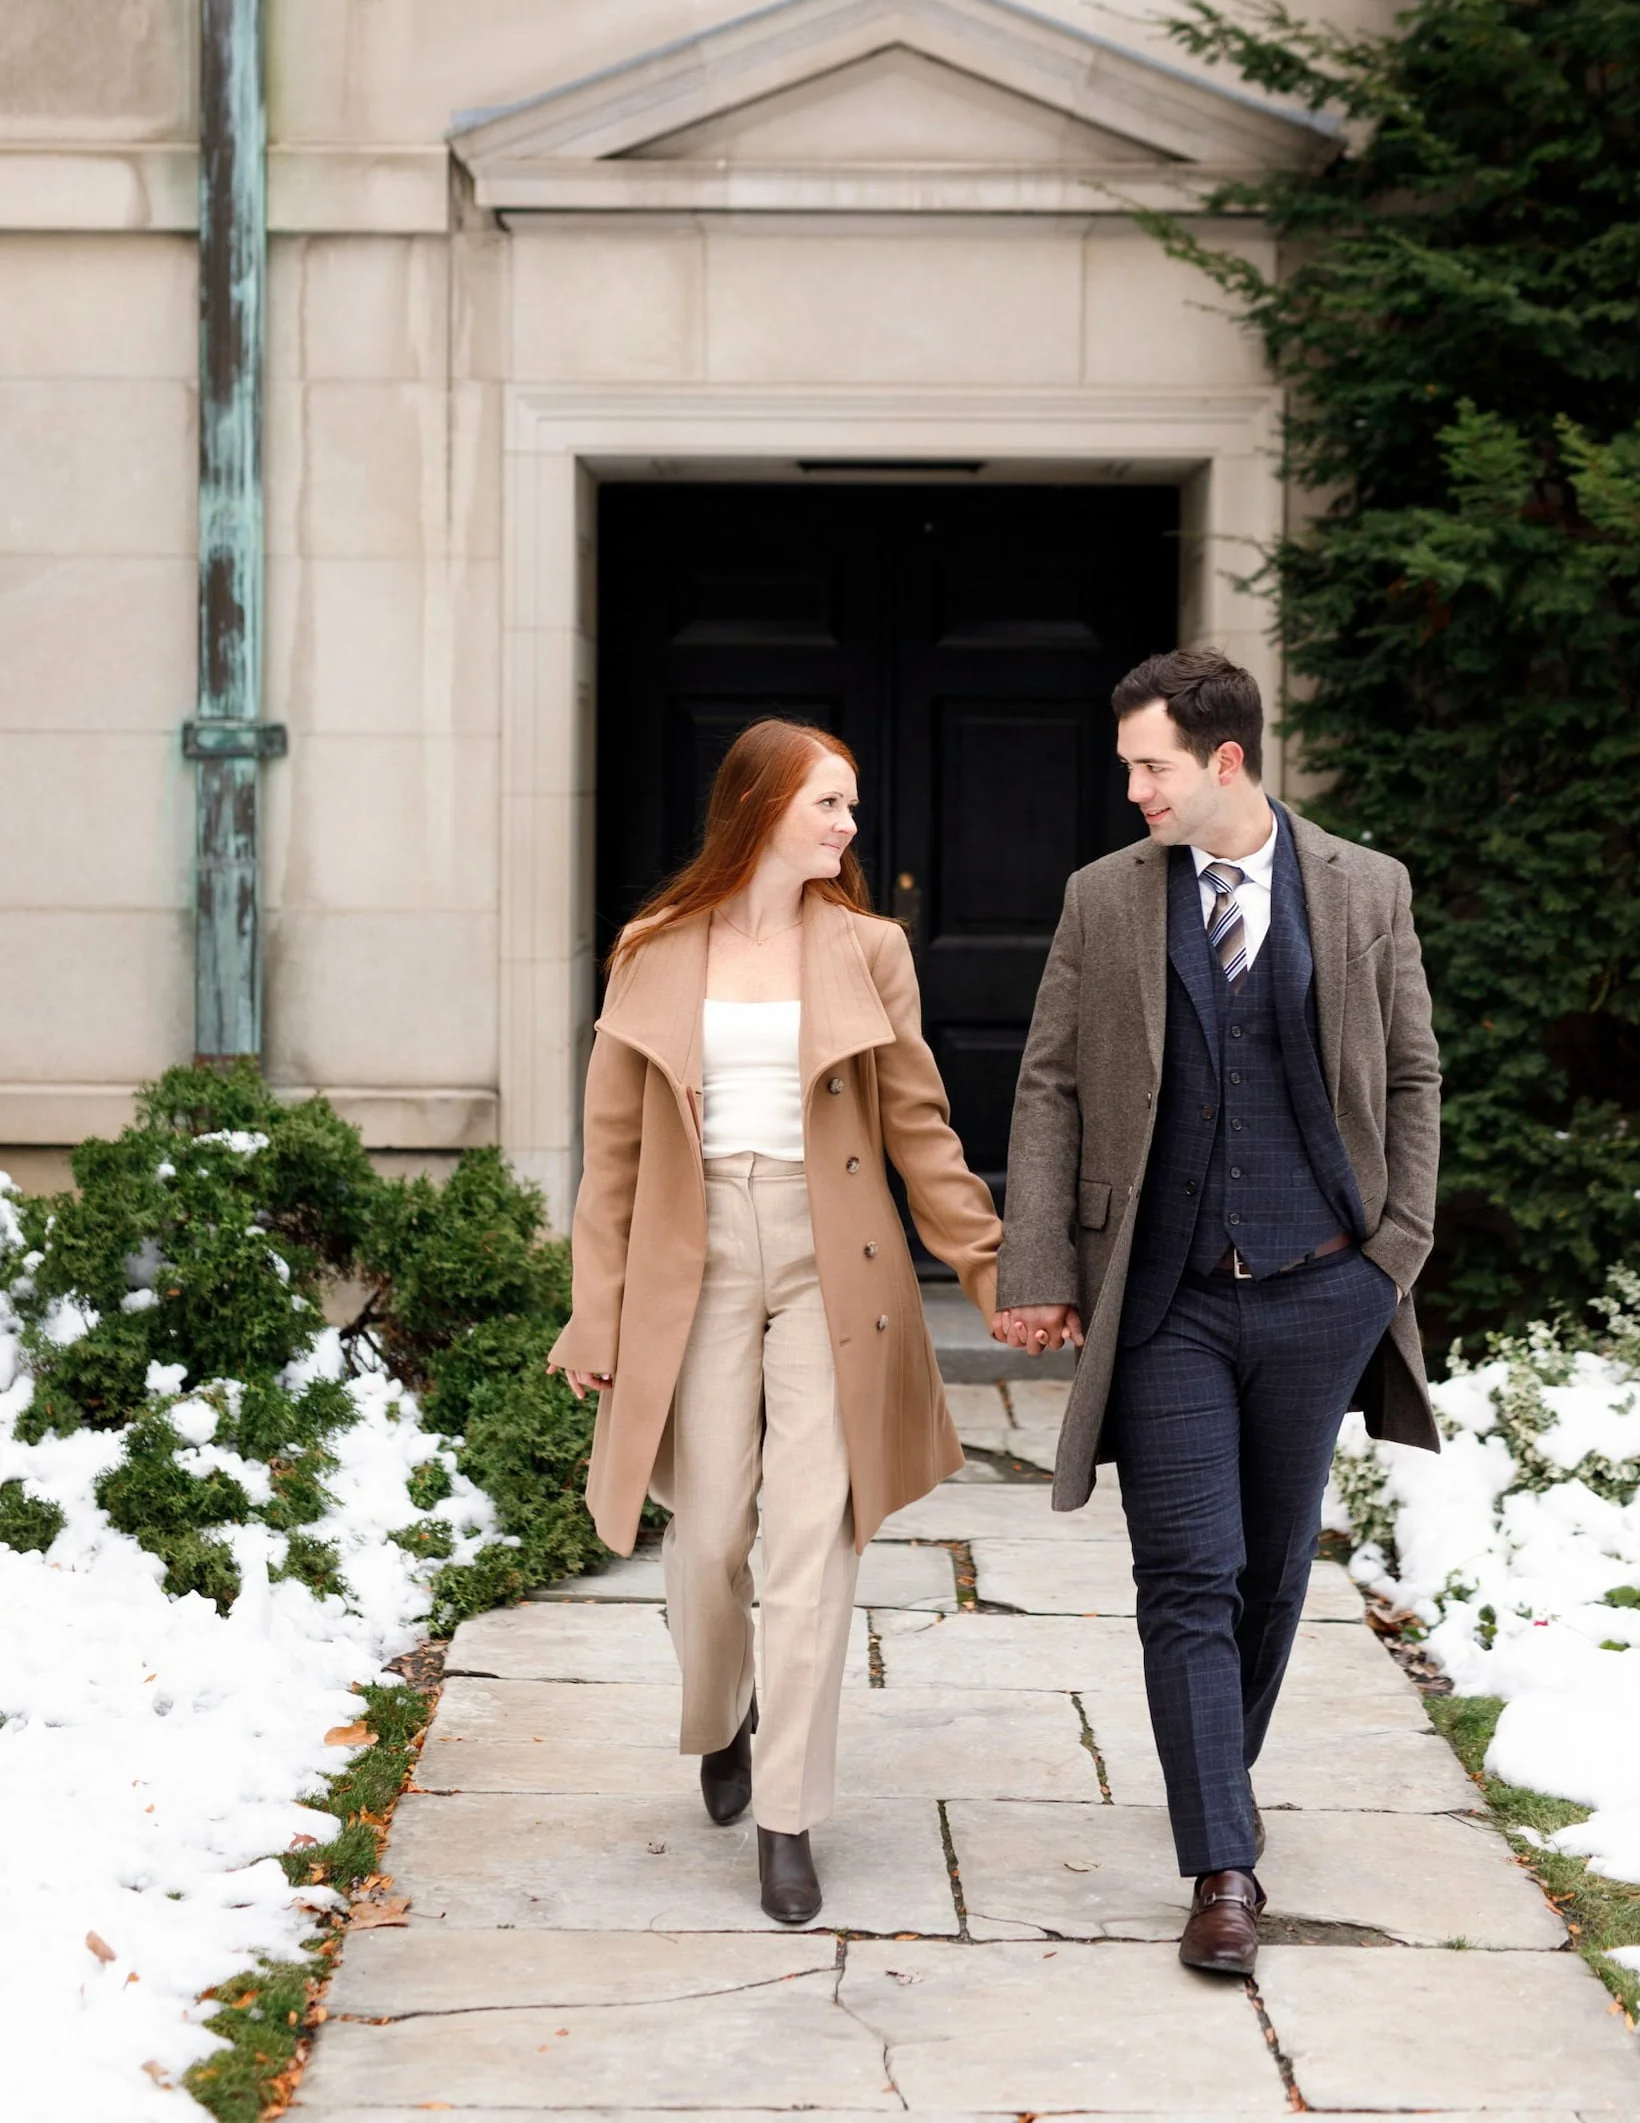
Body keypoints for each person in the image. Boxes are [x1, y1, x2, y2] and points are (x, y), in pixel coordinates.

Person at [992, 649, 1441, 1977]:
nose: (1129, 787)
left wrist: (1390, 1256)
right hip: (1168, 1297)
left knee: (1268, 1573)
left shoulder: (1363, 888)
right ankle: (1220, 1868)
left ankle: (1208, 1784)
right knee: (1184, 1573)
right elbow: (1049, 1087)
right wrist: (1037, 1269)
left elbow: (1409, 1078)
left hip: (1322, 1286)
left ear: (1224, 763)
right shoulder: (1103, 901)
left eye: (1150, 767)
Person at [547, 718, 1001, 1926]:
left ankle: (787, 1817)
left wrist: (990, 1267)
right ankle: (721, 1716)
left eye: (850, 807)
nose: (850, 828)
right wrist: (596, 1314)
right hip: (690, 1257)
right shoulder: (653, 946)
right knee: (705, 1543)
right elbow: (611, 1157)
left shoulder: (868, 948)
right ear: (758, 807)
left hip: (829, 1255)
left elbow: (919, 1127)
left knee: (812, 1540)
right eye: (829, 806)